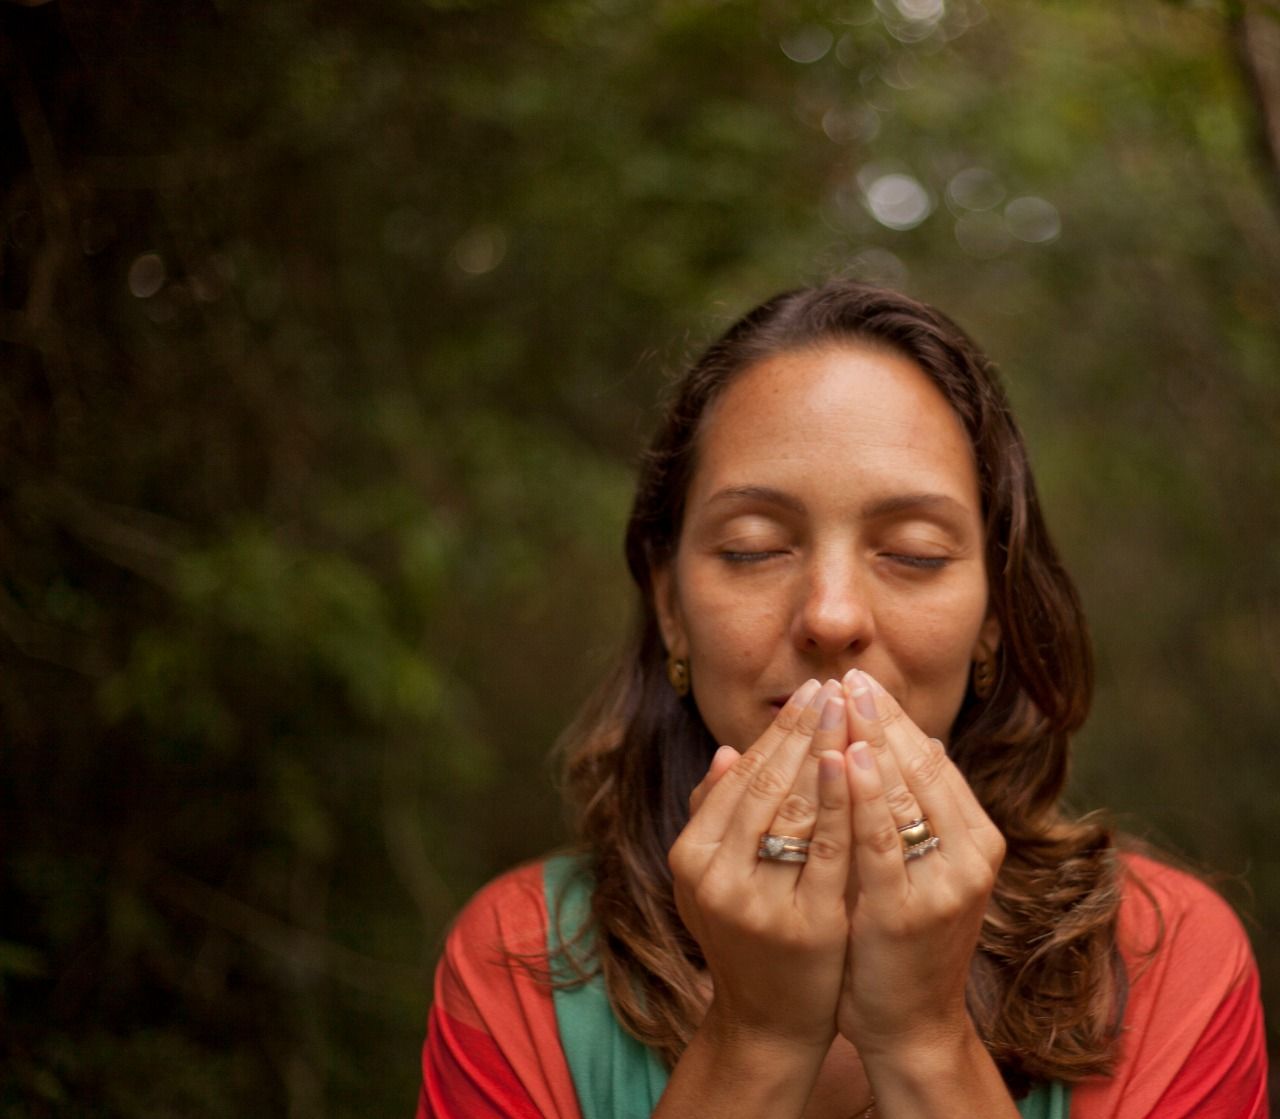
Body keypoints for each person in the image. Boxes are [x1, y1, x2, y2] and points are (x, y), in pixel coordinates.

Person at [415, 282, 1268, 1118]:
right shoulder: (520, 957)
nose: (830, 615)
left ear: (994, 621)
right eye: (753, 549)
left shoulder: (1169, 962)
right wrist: (758, 1038)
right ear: (671, 608)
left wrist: (925, 1040)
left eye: (915, 551)